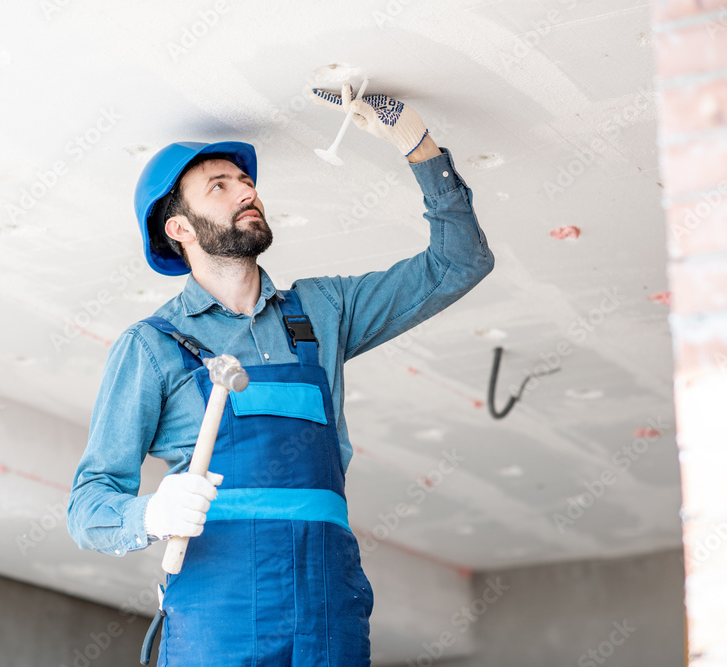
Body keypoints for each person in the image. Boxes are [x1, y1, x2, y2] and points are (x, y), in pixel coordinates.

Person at [67, 83, 494, 666]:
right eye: (220, 186)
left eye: (246, 182)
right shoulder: (152, 346)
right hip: (220, 613)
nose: (246, 192)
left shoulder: (323, 311)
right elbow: (88, 506)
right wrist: (150, 513)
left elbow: (458, 262)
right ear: (181, 229)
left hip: (328, 605)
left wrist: (415, 142)